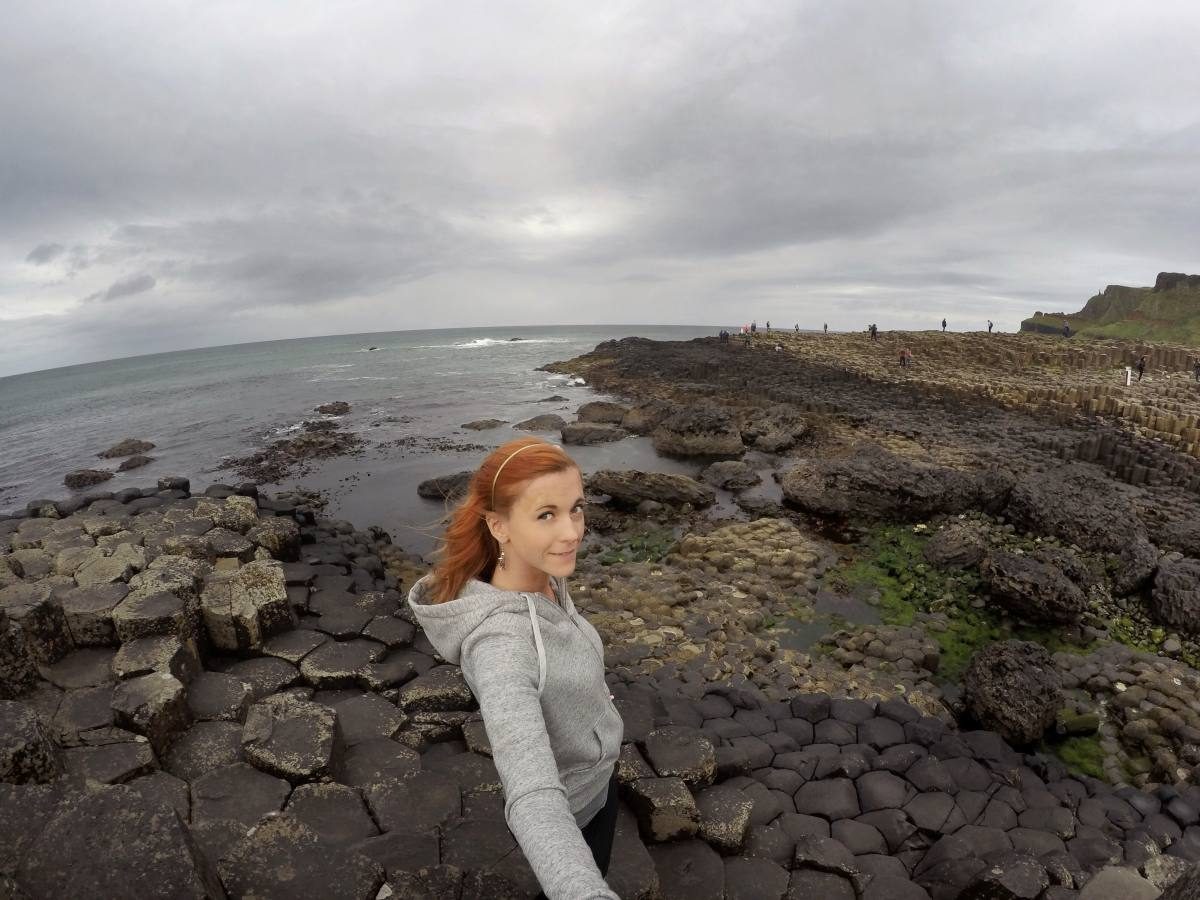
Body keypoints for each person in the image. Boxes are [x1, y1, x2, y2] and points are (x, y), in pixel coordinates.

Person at [409, 438, 622, 899]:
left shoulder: (543, 580)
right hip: (576, 809)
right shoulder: (500, 648)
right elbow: (532, 793)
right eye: (546, 515)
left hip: (604, 780)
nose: (572, 531)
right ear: (498, 526)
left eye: (576, 508)